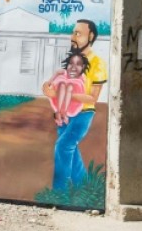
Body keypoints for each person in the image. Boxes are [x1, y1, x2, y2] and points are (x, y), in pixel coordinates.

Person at [41, 19, 107, 191]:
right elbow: (59, 83)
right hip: (63, 114)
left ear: (90, 36)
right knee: (71, 149)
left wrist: (62, 95)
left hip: (83, 115)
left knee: (63, 146)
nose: (73, 37)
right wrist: (48, 89)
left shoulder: (98, 63)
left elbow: (92, 98)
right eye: (73, 32)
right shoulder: (73, 59)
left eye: (78, 33)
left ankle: (59, 191)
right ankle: (83, 185)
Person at [46, 50, 90, 126]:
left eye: (78, 64)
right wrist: (49, 82)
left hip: (72, 99)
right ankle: (59, 112)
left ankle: (64, 112)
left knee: (70, 86)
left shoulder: (82, 77)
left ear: (83, 67)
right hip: (60, 95)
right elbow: (51, 80)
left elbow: (86, 90)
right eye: (71, 63)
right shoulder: (64, 72)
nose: (73, 67)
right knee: (62, 84)